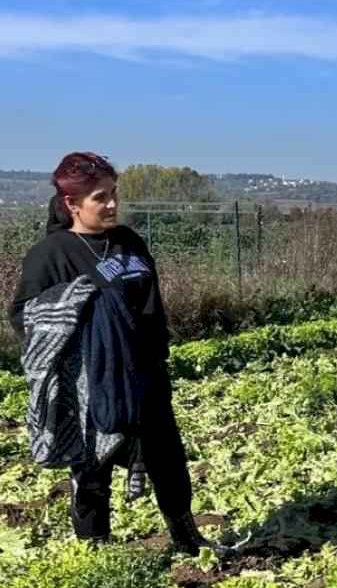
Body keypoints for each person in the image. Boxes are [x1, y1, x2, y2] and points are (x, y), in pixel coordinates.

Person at [9, 152, 209, 554]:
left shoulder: (129, 242)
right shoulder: (52, 255)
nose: (113, 204)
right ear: (72, 204)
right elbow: (24, 317)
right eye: (101, 198)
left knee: (167, 459)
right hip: (91, 382)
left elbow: (152, 305)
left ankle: (187, 537)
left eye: (114, 194)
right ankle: (95, 550)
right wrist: (83, 315)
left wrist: (153, 353)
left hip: (145, 372)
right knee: (92, 470)